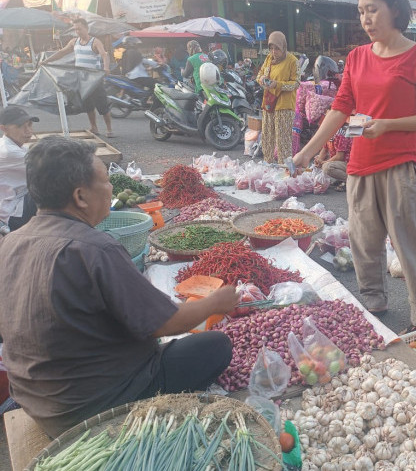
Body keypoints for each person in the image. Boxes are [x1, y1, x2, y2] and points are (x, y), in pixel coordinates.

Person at [0, 136, 241, 438]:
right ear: (81, 197)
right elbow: (165, 323)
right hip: (94, 405)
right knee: (215, 346)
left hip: (37, 399)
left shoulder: (10, 242)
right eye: (105, 181)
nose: (112, 188)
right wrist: (216, 303)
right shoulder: (95, 249)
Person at [293, 0, 416, 334]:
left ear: (394, 7)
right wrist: (305, 152)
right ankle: (374, 305)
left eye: (372, 9)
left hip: (400, 167)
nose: (365, 19)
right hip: (359, 166)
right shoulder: (358, 57)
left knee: (412, 249)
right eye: (361, 11)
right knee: (364, 245)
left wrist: (388, 124)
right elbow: (340, 108)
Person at [41, 18, 114, 138]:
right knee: (88, 105)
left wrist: (106, 68)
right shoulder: (74, 42)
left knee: (103, 105)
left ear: (86, 28)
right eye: (75, 29)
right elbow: (61, 52)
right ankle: (94, 127)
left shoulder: (95, 42)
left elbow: (104, 55)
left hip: (95, 80)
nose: (78, 31)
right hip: (82, 80)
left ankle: (109, 129)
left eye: (79, 29)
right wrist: (46, 61)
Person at [256, 31, 299, 164]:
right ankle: (267, 166)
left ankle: (284, 170)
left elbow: (296, 83)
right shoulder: (269, 59)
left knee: (283, 141)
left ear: (284, 47)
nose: (274, 52)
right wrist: (262, 79)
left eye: (277, 49)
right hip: (269, 103)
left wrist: (278, 85)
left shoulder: (292, 61)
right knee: (267, 137)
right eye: (271, 48)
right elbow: (259, 75)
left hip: (284, 106)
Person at [0, 107, 39, 231]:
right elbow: (49, 167)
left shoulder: (15, 147)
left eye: (29, 125)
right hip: (11, 212)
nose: (28, 131)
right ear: (3, 128)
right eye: (21, 126)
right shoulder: (9, 152)